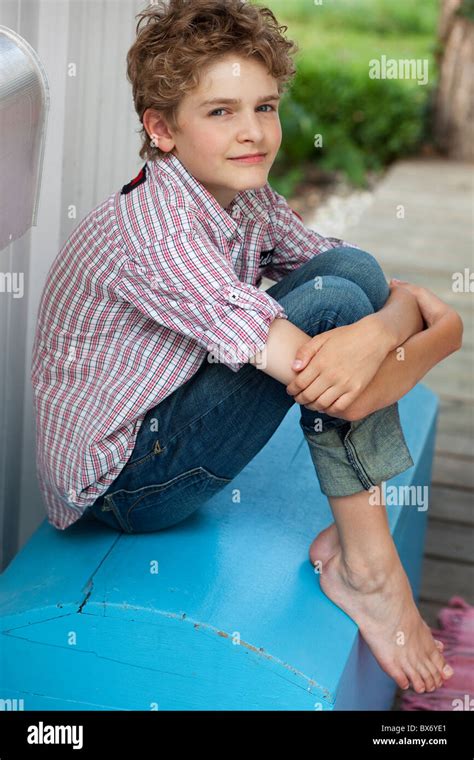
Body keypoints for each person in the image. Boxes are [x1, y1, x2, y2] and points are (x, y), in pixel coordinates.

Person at [31, 0, 463, 695]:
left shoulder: (242, 195)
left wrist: (393, 324)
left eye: (265, 106)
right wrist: (416, 327)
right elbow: (324, 363)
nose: (254, 133)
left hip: (172, 415)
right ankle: (367, 566)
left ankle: (361, 555)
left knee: (353, 282)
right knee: (335, 307)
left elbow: (356, 275)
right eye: (221, 112)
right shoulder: (158, 232)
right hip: (125, 484)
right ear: (162, 129)